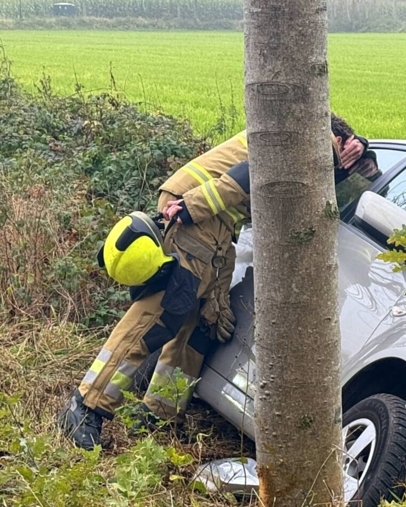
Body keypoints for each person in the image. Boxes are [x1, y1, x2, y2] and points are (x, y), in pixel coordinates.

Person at [58, 114, 379, 450]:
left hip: (214, 224)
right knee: (157, 319)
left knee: (197, 329)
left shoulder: (294, 131)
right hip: (200, 214)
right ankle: (85, 407)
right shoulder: (314, 139)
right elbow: (247, 178)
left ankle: (158, 414)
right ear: (341, 140)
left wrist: (218, 289)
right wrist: (191, 208)